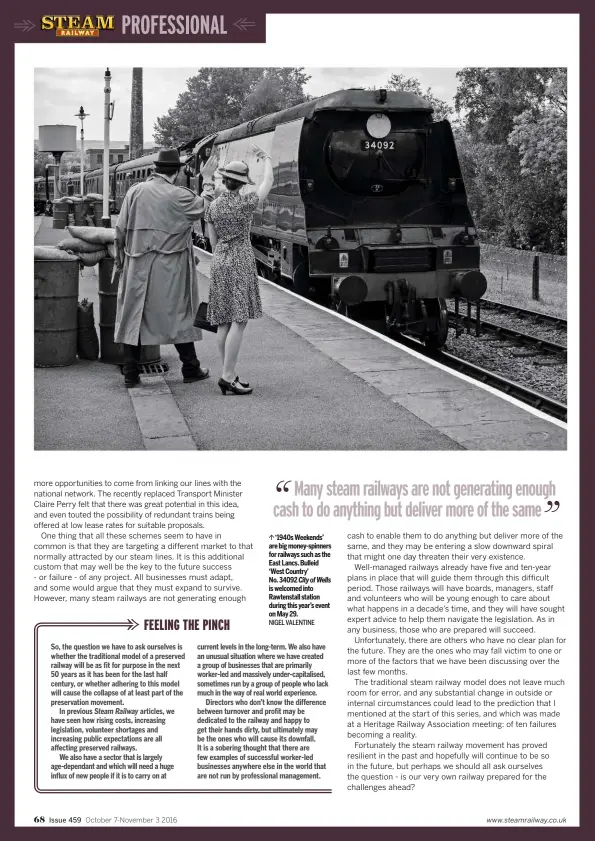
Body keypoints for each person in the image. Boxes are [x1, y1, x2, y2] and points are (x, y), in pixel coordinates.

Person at [113, 148, 217, 387]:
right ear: (178, 172)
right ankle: (190, 368)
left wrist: (121, 261)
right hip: (170, 269)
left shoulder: (134, 191)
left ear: (155, 170)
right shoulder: (179, 196)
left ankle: (130, 375)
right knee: (179, 315)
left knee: (134, 316)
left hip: (136, 265)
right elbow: (207, 208)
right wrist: (208, 179)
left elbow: (119, 231)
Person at [203, 145, 274, 395]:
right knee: (239, 320)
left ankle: (228, 373)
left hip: (220, 260)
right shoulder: (246, 203)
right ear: (242, 184)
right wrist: (266, 158)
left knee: (223, 322)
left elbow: (212, 242)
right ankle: (228, 376)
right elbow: (268, 180)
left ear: (225, 180)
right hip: (240, 260)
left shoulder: (212, 207)